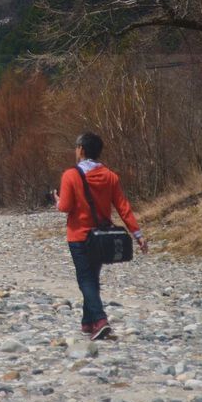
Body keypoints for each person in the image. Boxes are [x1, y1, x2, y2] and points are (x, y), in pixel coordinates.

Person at [53, 132, 147, 341]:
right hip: (102, 236)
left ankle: (100, 320)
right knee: (92, 278)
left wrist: (57, 201)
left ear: (82, 150)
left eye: (77, 147)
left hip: (78, 235)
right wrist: (137, 234)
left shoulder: (70, 175)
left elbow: (66, 207)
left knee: (85, 280)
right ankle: (87, 323)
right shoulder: (110, 176)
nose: (75, 150)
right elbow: (123, 208)